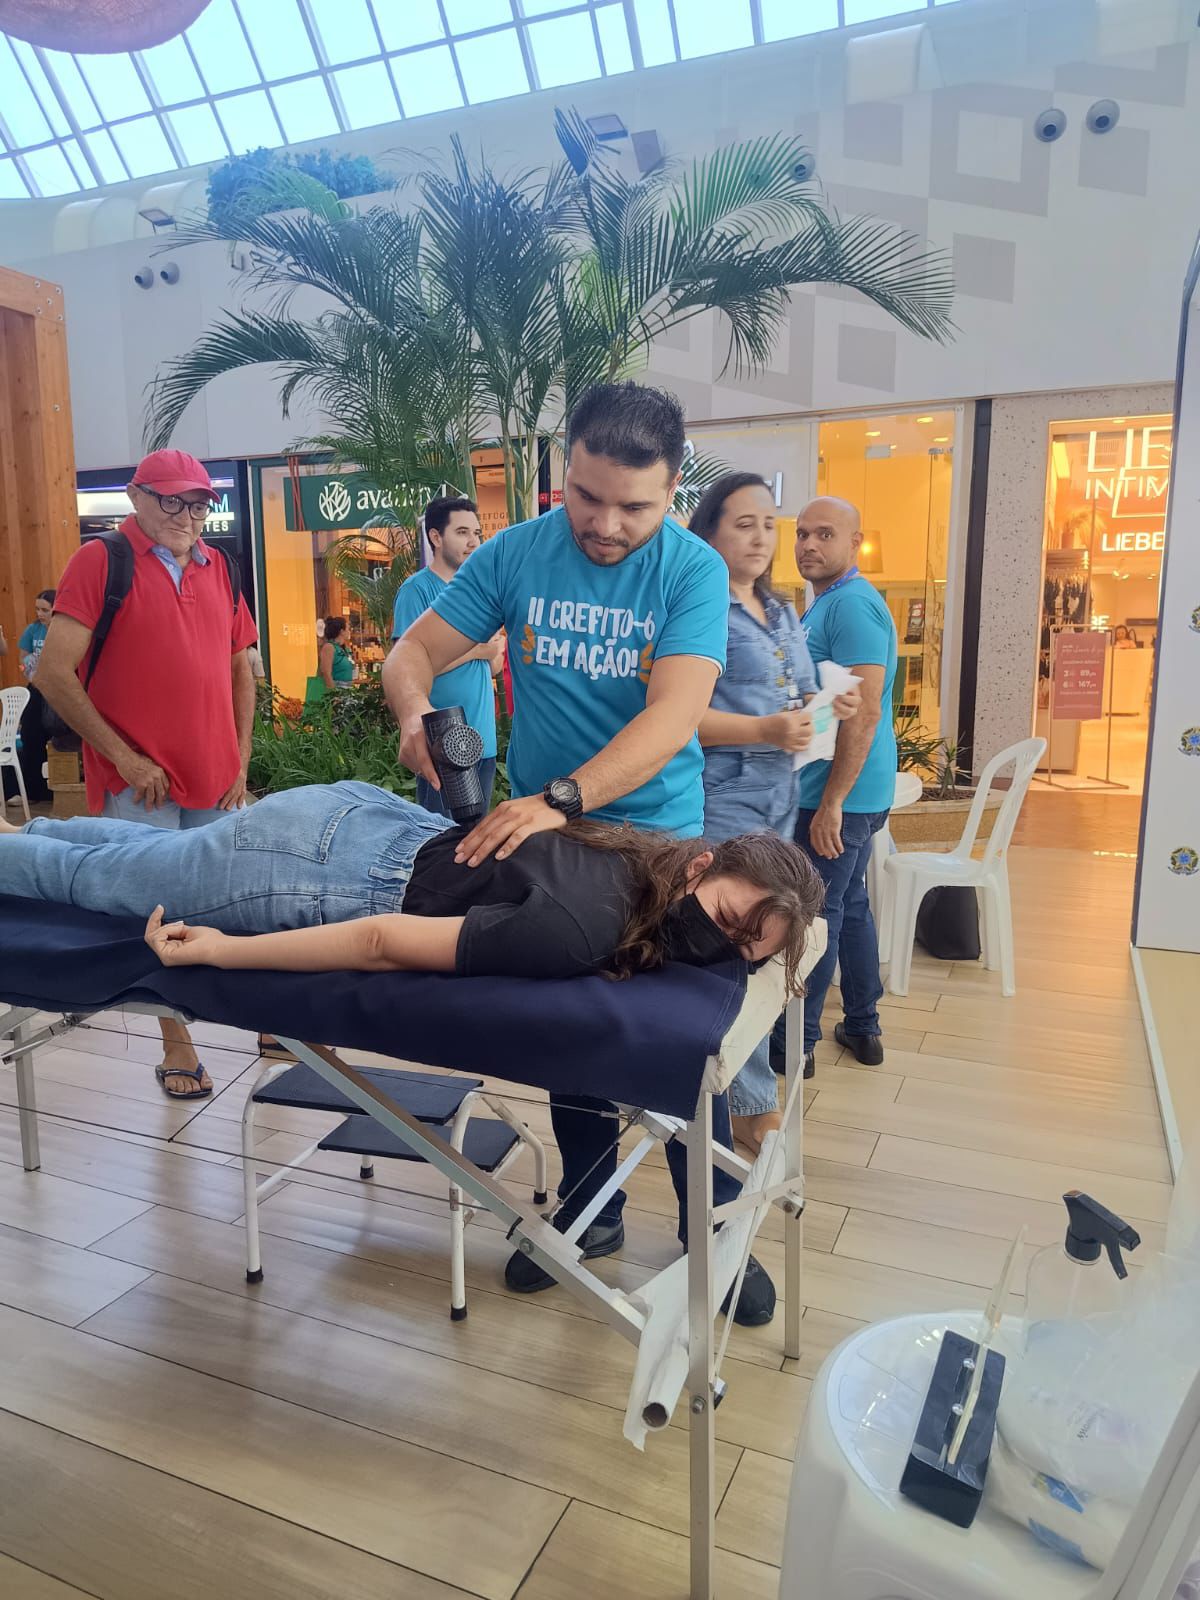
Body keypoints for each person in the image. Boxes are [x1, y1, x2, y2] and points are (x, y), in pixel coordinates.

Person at [382, 380, 776, 1325]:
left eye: (633, 506)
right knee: (570, 1029)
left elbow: (673, 716)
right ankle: (590, 1213)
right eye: (586, 497)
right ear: (566, 470)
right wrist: (415, 713)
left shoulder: (689, 572)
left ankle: (715, 1229)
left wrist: (560, 799)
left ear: (673, 490)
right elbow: (410, 654)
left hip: (658, 844)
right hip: (542, 838)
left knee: (681, 1041)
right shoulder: (517, 552)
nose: (603, 524)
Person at [0, 784, 822, 995]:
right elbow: (378, 942)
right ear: (701, 869)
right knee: (93, 881)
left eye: (746, 951)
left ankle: (27, 834)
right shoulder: (582, 931)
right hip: (316, 868)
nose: (721, 948)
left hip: (363, 818)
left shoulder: (639, 856)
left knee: (142, 853)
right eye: (728, 921)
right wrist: (222, 951)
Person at [33, 449, 258, 1100]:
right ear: (136, 497)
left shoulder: (221, 565)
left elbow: (241, 664)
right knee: (157, 909)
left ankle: (269, 1018)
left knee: (234, 897)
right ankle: (176, 1042)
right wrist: (123, 756)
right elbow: (53, 672)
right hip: (137, 782)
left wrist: (242, 755)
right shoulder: (102, 561)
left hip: (216, 773)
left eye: (199, 502)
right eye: (171, 500)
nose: (186, 515)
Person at [690, 473, 859, 1149]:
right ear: (709, 533)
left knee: (767, 948)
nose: (762, 537)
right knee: (742, 951)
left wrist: (827, 706)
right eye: (744, 523)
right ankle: (746, 1103)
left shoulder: (780, 609)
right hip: (724, 799)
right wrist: (764, 730)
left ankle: (743, 1099)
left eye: (769, 523)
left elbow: (790, 700)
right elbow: (676, 716)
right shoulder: (700, 607)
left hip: (778, 799)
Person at [789, 496, 898, 1077]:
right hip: (841, 791)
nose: (809, 544)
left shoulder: (852, 605)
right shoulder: (827, 602)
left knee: (817, 914)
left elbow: (865, 708)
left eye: (825, 534)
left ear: (855, 542)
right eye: (803, 533)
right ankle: (862, 1026)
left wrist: (832, 802)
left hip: (839, 796)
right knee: (849, 906)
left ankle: (799, 1045)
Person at [392, 497, 504, 815]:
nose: (473, 542)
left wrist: (487, 653)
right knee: (442, 837)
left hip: (482, 740)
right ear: (436, 537)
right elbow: (406, 666)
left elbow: (493, 664)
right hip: (443, 743)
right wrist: (477, 649)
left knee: (474, 837)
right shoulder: (417, 590)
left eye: (477, 533)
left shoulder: (478, 593)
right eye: (462, 532)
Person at [2, 590, 56, 808]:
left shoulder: (64, 630)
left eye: (45, 610)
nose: (40, 614)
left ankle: (59, 785)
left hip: (60, 689)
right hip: (36, 686)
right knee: (31, 735)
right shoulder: (33, 630)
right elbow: (23, 661)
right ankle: (33, 790)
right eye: (37, 609)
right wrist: (32, 675)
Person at [318, 616, 356, 690]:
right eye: (348, 629)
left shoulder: (344, 649)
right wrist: (334, 691)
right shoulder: (329, 647)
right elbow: (325, 672)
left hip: (348, 688)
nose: (349, 631)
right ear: (342, 631)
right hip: (336, 688)